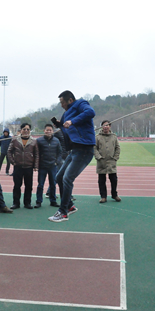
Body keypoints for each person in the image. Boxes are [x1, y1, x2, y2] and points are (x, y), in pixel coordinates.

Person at [48, 90, 95, 222]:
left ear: (70, 100)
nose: (61, 105)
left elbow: (91, 112)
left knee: (67, 179)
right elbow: (65, 128)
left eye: (63, 102)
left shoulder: (81, 104)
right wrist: (59, 124)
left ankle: (62, 212)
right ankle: (69, 206)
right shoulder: (65, 114)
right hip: (74, 150)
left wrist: (72, 121)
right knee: (59, 177)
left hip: (84, 149)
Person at [8, 123, 39, 209]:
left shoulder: (34, 141)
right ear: (21, 130)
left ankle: (27, 203)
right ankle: (16, 203)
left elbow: (36, 154)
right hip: (18, 166)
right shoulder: (15, 140)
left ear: (30, 131)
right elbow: (9, 151)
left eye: (28, 129)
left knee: (28, 186)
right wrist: (12, 161)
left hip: (29, 167)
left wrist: (36, 165)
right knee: (17, 185)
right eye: (24, 129)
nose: (26, 131)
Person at [35, 124, 62, 208]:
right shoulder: (39, 140)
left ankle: (53, 201)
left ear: (52, 131)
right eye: (47, 130)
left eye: (50, 130)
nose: (48, 131)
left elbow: (60, 152)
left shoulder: (56, 141)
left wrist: (57, 162)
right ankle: (38, 201)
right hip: (42, 166)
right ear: (44, 131)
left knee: (53, 184)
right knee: (40, 185)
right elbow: (36, 153)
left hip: (52, 166)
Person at [94, 120, 121, 203]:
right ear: (102, 126)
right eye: (104, 125)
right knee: (101, 180)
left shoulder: (113, 136)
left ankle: (114, 195)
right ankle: (103, 196)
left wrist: (115, 157)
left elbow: (117, 147)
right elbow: (94, 148)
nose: (106, 127)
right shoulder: (97, 137)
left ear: (110, 127)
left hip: (111, 161)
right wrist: (98, 157)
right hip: (101, 161)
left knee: (114, 179)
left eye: (107, 125)